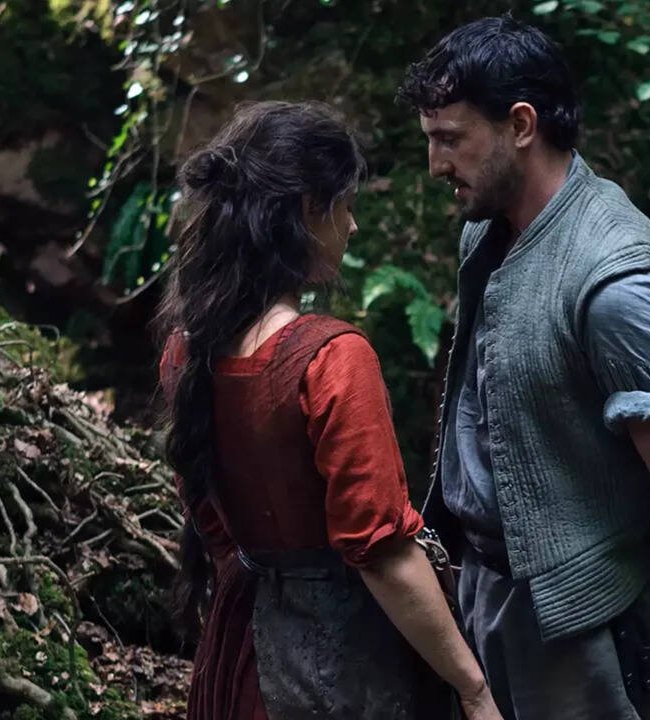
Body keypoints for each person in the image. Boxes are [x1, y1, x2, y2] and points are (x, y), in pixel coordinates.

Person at [397, 17, 650, 720]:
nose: (435, 165)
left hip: (583, 631)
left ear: (521, 125)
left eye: (450, 139)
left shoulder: (618, 284)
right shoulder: (488, 230)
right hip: (483, 591)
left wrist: (641, 613)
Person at [156, 100, 502, 720]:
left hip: (241, 647)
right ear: (309, 211)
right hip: (337, 662)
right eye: (346, 206)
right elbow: (381, 551)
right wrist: (472, 688)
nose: (353, 226)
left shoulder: (187, 351)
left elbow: (209, 516)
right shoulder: (331, 358)